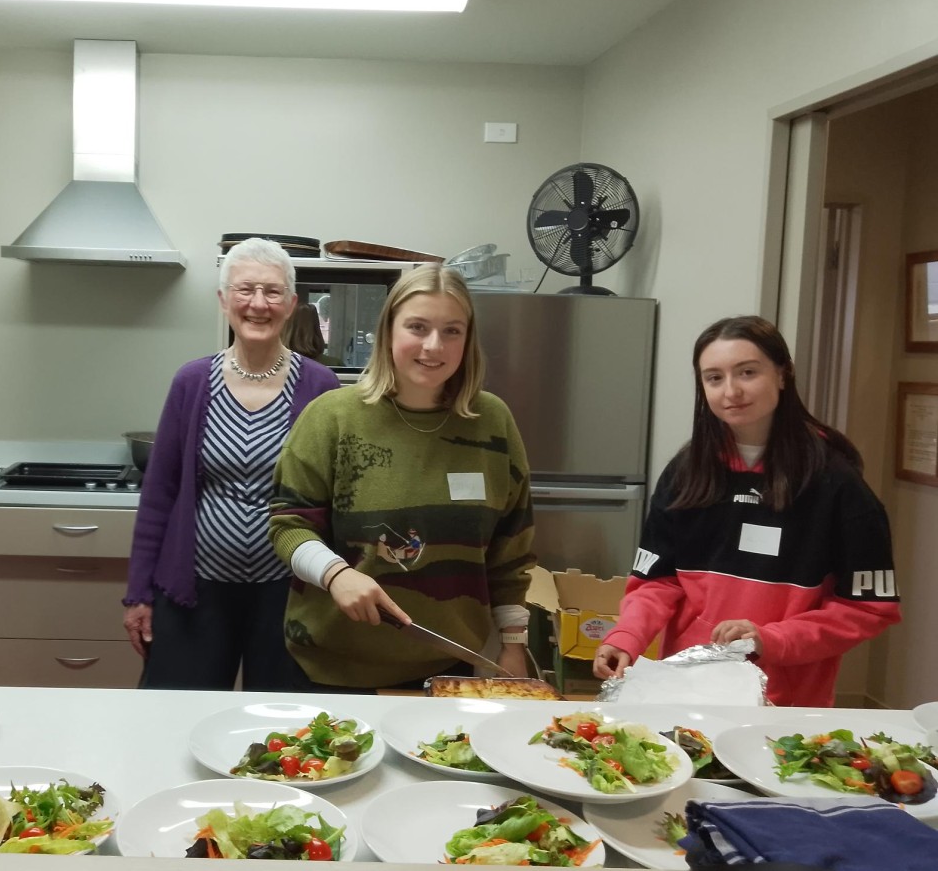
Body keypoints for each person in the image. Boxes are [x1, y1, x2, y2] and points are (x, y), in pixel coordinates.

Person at [592, 315, 901, 707]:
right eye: (714, 378)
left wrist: (770, 640)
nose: (731, 391)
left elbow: (868, 609)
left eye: (747, 372)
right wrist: (627, 637)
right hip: (685, 693)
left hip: (786, 704)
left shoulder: (836, 481)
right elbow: (657, 582)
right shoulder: (687, 472)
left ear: (783, 374)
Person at [268, 264, 535, 691]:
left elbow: (511, 547)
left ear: (468, 340)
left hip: (448, 665)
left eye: (452, 331)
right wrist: (336, 573)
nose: (434, 346)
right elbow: (289, 525)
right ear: (388, 330)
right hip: (331, 667)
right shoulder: (332, 417)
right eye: (417, 327)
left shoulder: (492, 421)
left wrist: (514, 642)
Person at [122, 238, 339, 689]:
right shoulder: (192, 381)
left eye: (273, 291)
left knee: (282, 719)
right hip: (195, 589)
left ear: (291, 305)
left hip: (288, 590)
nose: (258, 303)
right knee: (176, 713)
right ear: (224, 300)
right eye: (245, 290)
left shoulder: (320, 386)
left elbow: (337, 499)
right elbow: (159, 494)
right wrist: (139, 593)